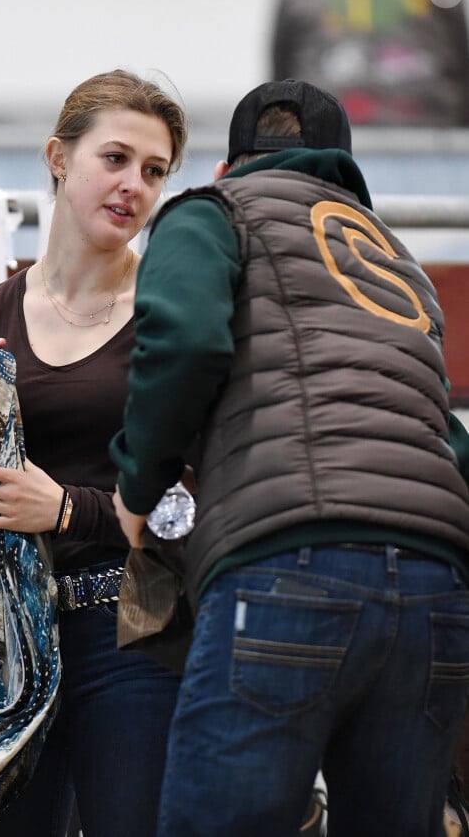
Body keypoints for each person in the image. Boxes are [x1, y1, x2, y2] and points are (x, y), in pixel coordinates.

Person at [110, 78, 469, 836]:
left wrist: (137, 486)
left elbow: (184, 339)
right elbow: (445, 436)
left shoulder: (215, 212)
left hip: (290, 565)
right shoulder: (403, 271)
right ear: (343, 168)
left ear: (226, 166)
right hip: (437, 594)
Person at [0, 68, 187, 837]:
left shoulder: (168, 315)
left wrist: (64, 508)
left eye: (154, 171)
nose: (134, 184)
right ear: (58, 158)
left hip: (133, 622)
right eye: (116, 158)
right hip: (8, 627)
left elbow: (193, 502)